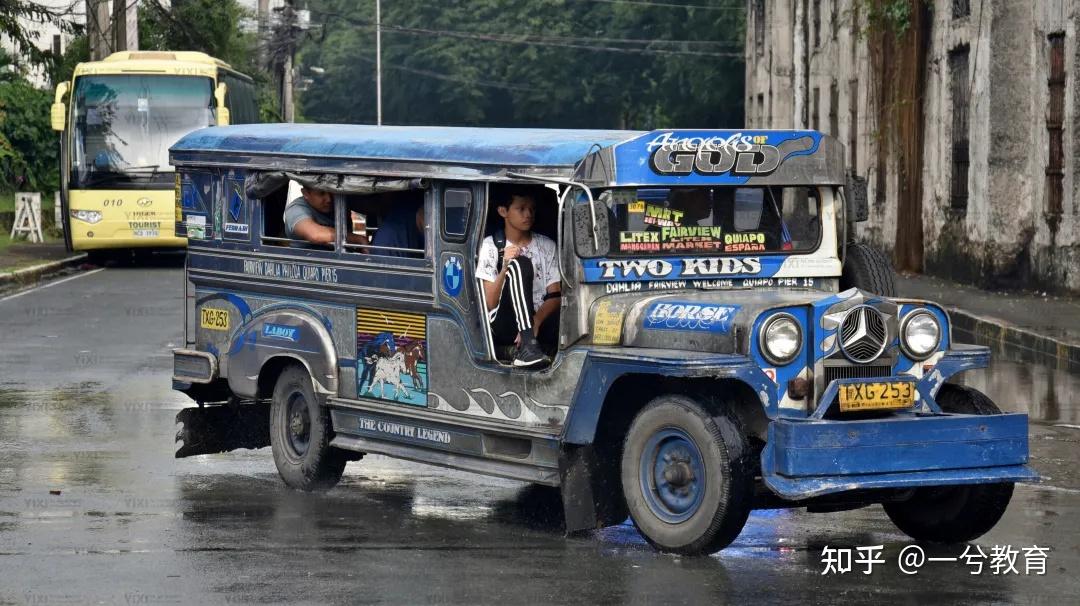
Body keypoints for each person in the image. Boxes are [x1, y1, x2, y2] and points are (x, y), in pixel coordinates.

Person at [476, 191, 560, 368]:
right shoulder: (490, 246)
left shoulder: (547, 245)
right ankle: (528, 346)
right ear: (503, 211)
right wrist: (505, 264)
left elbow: (555, 295)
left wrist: (535, 321)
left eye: (531, 209)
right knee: (519, 263)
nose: (528, 214)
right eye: (521, 209)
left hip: (538, 320)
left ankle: (530, 339)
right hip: (506, 324)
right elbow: (490, 303)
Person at [284, 186, 368, 247]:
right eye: (321, 193)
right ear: (305, 193)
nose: (329, 199)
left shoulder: (339, 202)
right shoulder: (296, 209)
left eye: (332, 192)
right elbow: (315, 235)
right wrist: (358, 239)